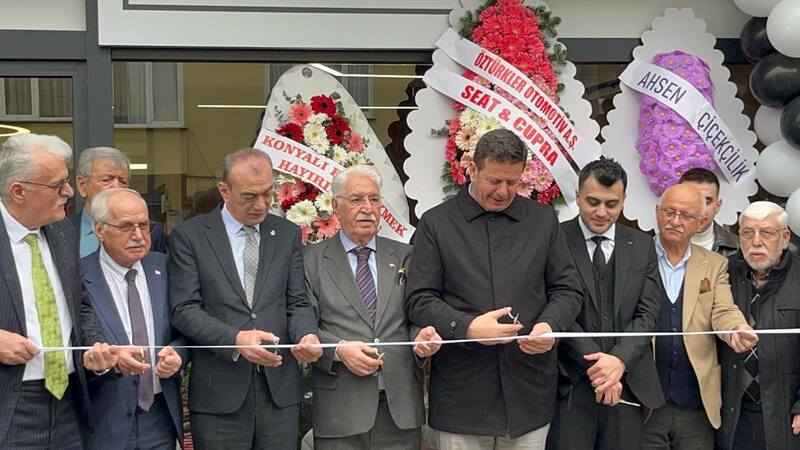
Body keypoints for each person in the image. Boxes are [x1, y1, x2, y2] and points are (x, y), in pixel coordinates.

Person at [405, 129, 583, 449]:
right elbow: (419, 298)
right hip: (462, 397)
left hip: (529, 394)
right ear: (472, 168)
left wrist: (549, 325)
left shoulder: (542, 220)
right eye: (493, 180)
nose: (502, 191)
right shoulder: (436, 223)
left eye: (512, 182)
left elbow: (567, 289)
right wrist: (468, 327)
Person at [169, 148, 322, 449]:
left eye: (268, 193)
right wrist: (235, 338)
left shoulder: (287, 233)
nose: (261, 204)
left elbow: (297, 302)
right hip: (219, 395)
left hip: (279, 394)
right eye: (249, 196)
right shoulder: (191, 236)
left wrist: (307, 334)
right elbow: (184, 309)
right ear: (224, 190)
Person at [304, 165, 439, 449]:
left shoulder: (406, 255)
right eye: (356, 200)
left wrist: (421, 337)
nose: (368, 208)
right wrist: (339, 349)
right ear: (335, 206)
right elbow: (301, 323)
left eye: (374, 200)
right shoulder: (310, 260)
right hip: (340, 410)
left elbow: (416, 314)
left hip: (399, 411)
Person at [0, 133, 117, 448]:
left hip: (68, 401)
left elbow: (80, 306)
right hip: (10, 406)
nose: (68, 192)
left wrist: (94, 345)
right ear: (18, 191)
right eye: (57, 185)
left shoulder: (63, 233)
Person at [547, 158, 663, 450]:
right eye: (593, 201)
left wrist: (619, 361)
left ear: (624, 200)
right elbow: (551, 305)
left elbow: (648, 313)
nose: (601, 212)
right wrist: (599, 367)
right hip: (569, 383)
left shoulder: (643, 244)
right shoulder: (554, 238)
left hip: (628, 383)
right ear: (577, 196)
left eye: (611, 204)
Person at [641, 183, 758, 450]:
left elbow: (722, 309)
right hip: (644, 401)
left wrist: (736, 328)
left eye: (686, 216)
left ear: (700, 221)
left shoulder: (715, 264)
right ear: (657, 212)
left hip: (696, 402)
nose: (675, 221)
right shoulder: (636, 255)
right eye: (669, 212)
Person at [81, 188, 187, 450]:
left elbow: (186, 324)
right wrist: (106, 361)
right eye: (126, 227)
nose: (138, 235)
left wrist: (179, 353)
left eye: (143, 225)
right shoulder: (78, 275)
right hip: (104, 417)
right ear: (100, 231)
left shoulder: (166, 267)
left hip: (160, 416)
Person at [718, 201, 800, 450]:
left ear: (785, 238)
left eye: (766, 232)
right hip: (732, 412)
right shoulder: (723, 273)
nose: (755, 241)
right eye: (747, 232)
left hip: (785, 411)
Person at [71, 146, 167, 257]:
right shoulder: (62, 232)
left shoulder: (151, 232)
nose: (116, 187)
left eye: (123, 181)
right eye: (106, 180)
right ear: (82, 185)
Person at [679, 168, 738, 257]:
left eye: (706, 201)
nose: (698, 209)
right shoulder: (657, 246)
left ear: (717, 206)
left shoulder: (738, 247)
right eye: (690, 200)